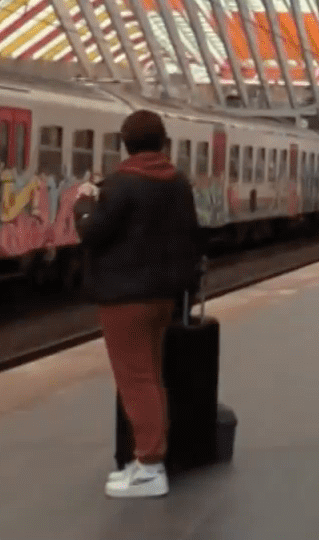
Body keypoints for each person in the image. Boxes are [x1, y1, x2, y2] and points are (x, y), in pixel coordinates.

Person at [75, 110, 199, 498]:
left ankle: (149, 466)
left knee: (136, 380)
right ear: (162, 142)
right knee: (151, 375)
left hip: (124, 297)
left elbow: (92, 233)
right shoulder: (178, 183)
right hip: (163, 295)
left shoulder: (120, 185)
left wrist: (83, 203)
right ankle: (145, 459)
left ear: (125, 143)